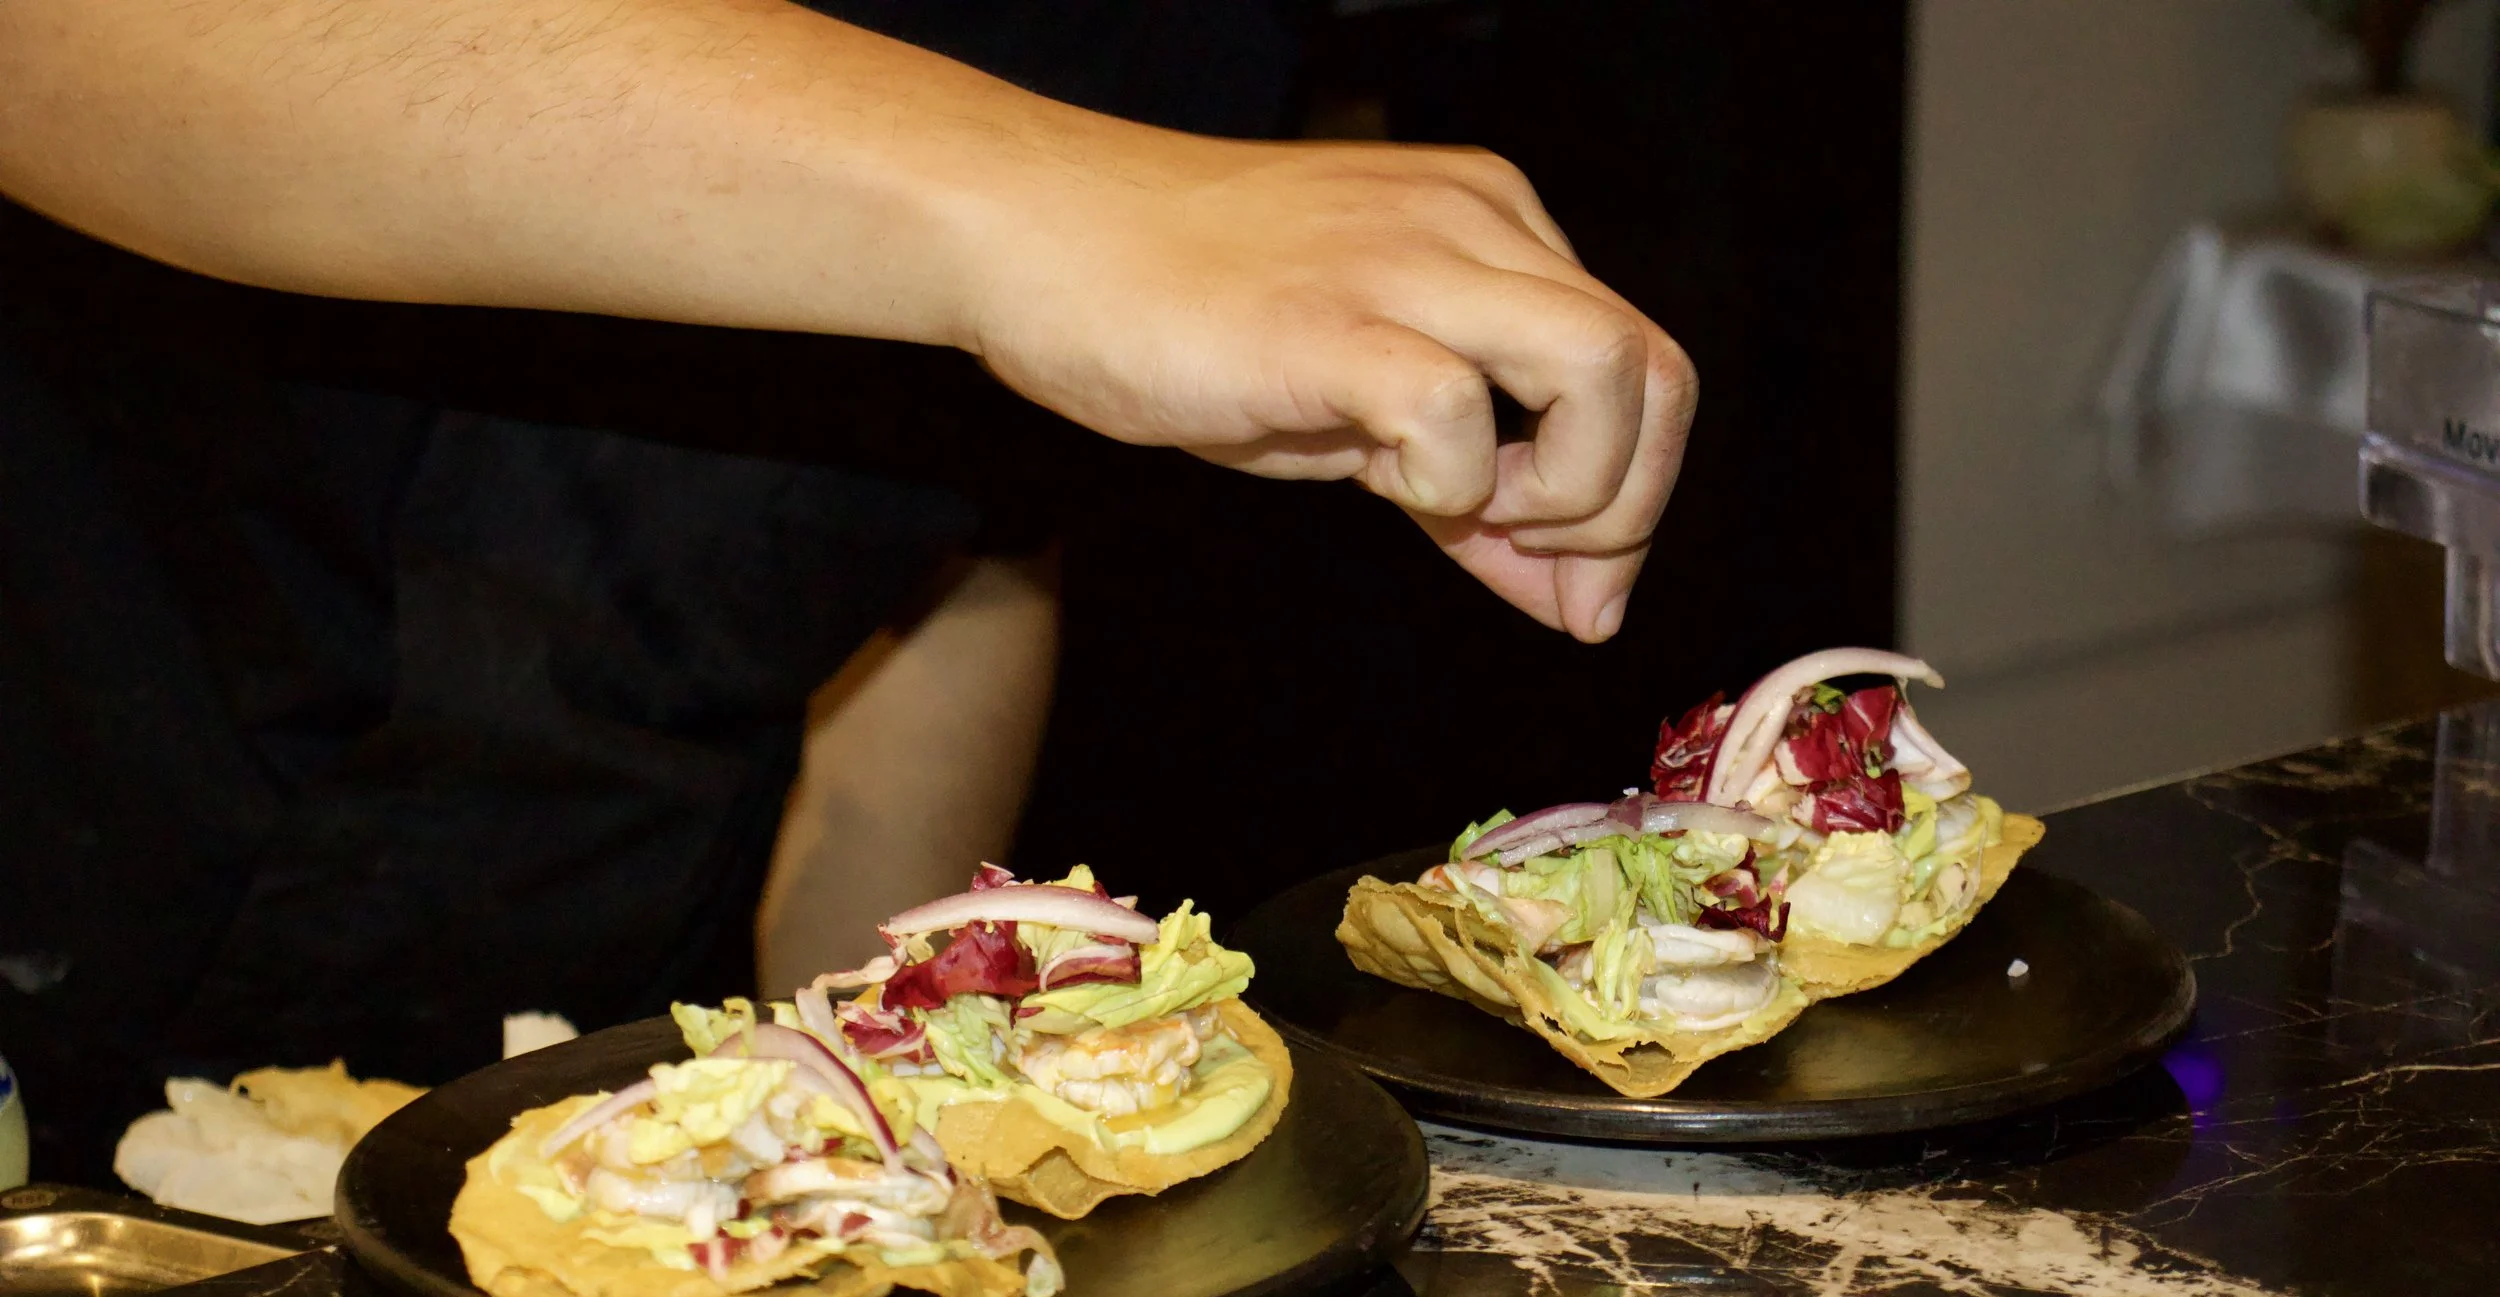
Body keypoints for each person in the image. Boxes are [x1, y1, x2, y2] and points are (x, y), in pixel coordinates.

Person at [0, 0, 1694, 1183]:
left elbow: (950, 557)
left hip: (596, 1051)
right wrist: (1053, 199)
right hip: (87, 937)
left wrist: (865, 1123)